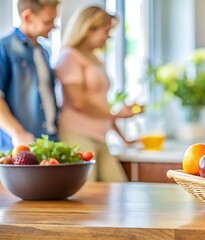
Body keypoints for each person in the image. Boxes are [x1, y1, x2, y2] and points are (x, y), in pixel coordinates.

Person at [55, 6, 139, 182]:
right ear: (89, 29)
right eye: (106, 31)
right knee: (87, 193)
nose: (108, 37)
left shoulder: (95, 59)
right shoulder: (69, 57)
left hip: (100, 137)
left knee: (119, 187)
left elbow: (102, 104)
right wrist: (116, 115)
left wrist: (123, 138)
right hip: (77, 135)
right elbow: (79, 102)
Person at [0, 0, 59, 152]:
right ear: (27, 17)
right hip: (17, 146)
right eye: (48, 21)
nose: (54, 26)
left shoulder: (44, 52)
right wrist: (17, 132)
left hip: (48, 140)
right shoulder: (5, 48)